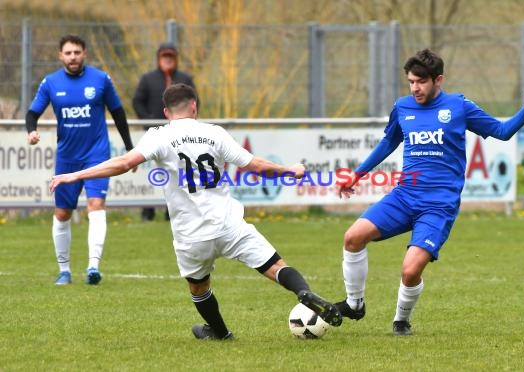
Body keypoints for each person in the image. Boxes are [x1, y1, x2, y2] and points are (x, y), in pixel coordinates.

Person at [50, 83, 342, 340]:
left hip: (191, 234)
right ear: (194, 107)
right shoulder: (214, 133)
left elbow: (125, 163)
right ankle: (302, 292)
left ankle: (220, 332)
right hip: (228, 224)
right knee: (275, 265)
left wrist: (75, 175)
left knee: (198, 287)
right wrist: (289, 170)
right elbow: (254, 166)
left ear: (166, 112)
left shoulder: (159, 136)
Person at [334, 49, 524, 336]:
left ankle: (401, 320)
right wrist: (356, 175)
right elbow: (388, 144)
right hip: (404, 196)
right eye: (411, 81)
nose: (415, 88)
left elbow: (502, 131)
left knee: (410, 271)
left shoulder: (459, 106)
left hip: (438, 205)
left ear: (438, 80)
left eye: (421, 82)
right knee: (353, 237)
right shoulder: (403, 107)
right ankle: (354, 304)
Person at [26, 34, 136, 286]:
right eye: (68, 53)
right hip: (67, 157)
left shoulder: (100, 79)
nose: (73, 57)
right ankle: (64, 270)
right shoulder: (50, 83)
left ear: (84, 53)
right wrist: (31, 130)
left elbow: (118, 112)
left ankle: (93, 267)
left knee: (96, 205)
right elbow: (33, 112)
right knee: (63, 213)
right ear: (60, 55)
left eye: (77, 52)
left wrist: (129, 149)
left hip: (97, 153)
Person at [133, 41, 196, 222]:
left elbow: (194, 101)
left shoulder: (185, 79)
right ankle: (148, 211)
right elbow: (137, 101)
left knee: (177, 171)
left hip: (180, 136)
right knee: (151, 173)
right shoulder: (148, 79)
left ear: (176, 59)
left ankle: (173, 211)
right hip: (154, 133)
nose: (168, 60)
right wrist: (148, 121)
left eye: (171, 57)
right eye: (164, 56)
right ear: (158, 58)